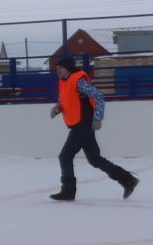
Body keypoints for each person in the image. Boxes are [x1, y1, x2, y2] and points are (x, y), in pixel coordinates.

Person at [49, 56, 139, 201]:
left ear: (68, 68)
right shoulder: (63, 82)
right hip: (80, 123)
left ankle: (68, 191)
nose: (57, 70)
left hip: (83, 123)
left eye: (60, 67)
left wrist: (98, 118)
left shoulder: (79, 80)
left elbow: (98, 96)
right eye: (57, 68)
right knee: (94, 159)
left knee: (65, 156)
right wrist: (57, 108)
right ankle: (127, 180)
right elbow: (64, 99)